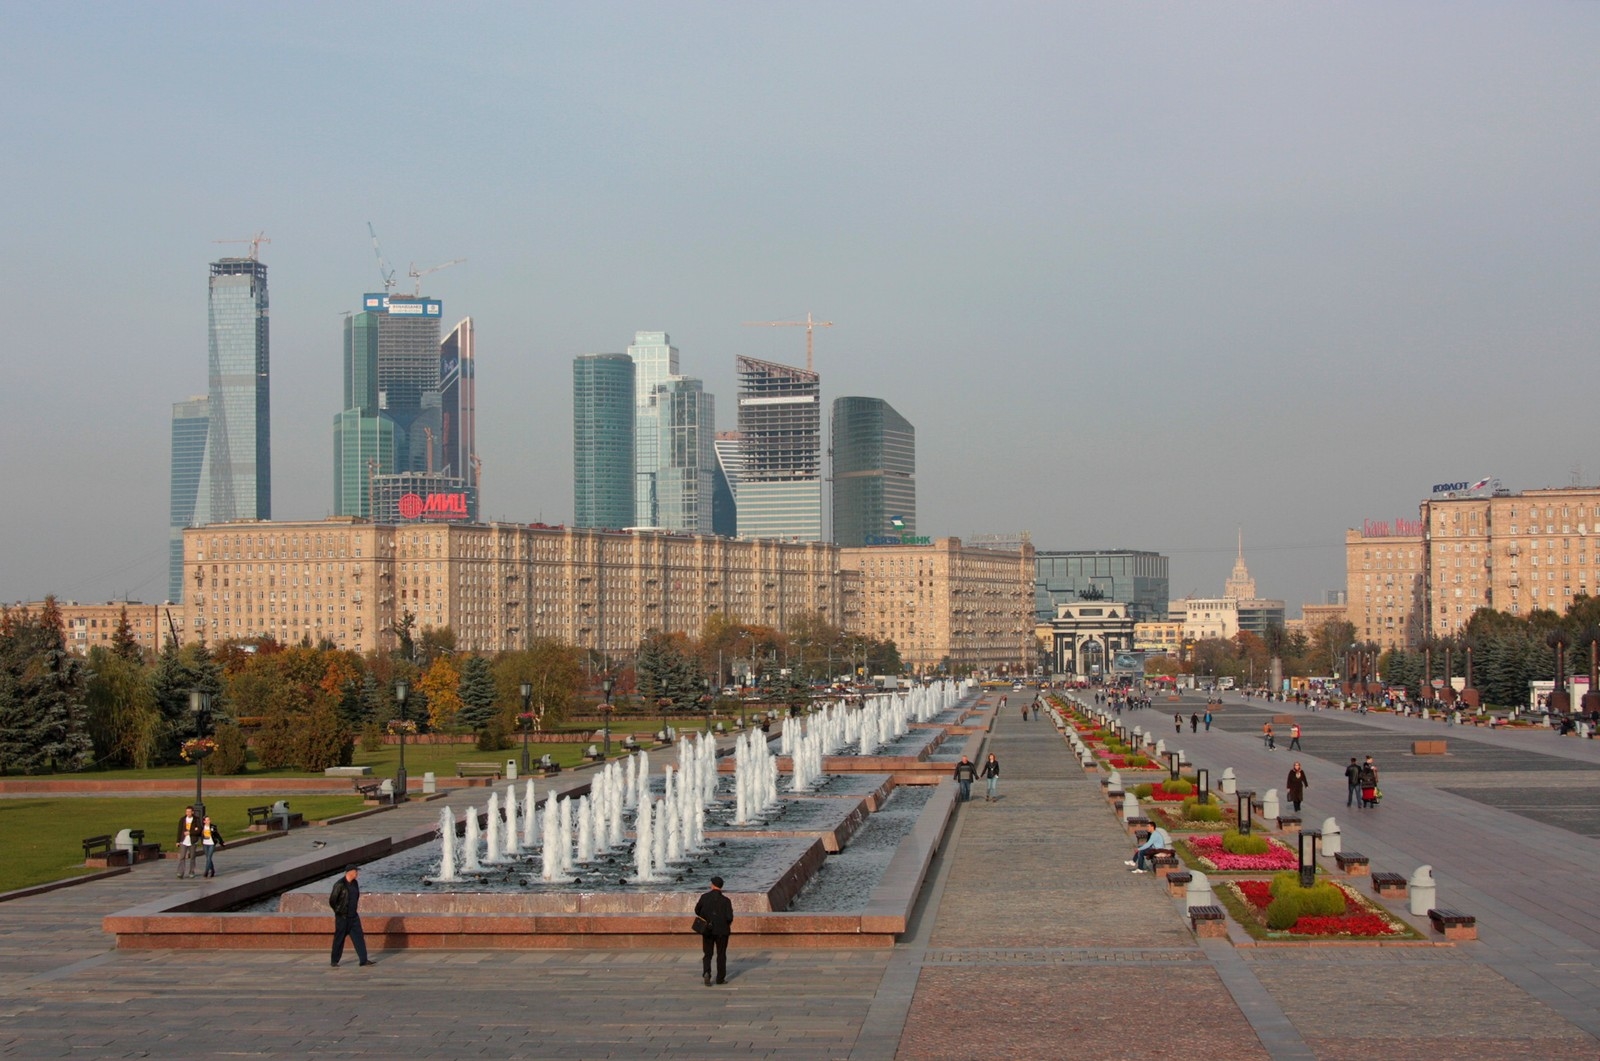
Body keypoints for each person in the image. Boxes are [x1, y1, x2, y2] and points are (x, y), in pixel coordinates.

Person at [329, 865, 374, 967]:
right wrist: (339, 911)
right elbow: (332, 900)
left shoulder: (355, 883)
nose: (357, 873)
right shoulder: (339, 885)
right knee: (339, 939)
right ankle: (334, 961)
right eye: (355, 871)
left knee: (359, 938)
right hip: (343, 917)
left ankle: (363, 960)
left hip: (354, 917)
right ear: (349, 872)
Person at [695, 875, 735, 985]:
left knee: (707, 953)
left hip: (707, 930)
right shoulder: (726, 901)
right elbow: (729, 917)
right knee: (721, 954)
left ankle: (707, 972)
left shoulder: (704, 897)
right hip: (722, 931)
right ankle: (720, 978)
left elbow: (697, 910)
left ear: (712, 885)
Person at [175, 806, 200, 879]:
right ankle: (180, 872)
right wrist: (178, 841)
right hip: (184, 841)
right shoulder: (182, 819)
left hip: (192, 841)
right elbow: (179, 830)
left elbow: (199, 830)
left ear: (192, 812)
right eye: (187, 812)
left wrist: (190, 833)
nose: (188, 813)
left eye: (189, 812)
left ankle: (191, 872)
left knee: (192, 857)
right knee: (182, 857)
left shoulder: (196, 820)